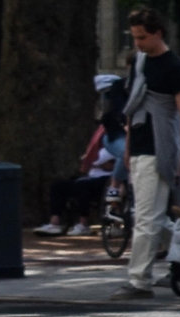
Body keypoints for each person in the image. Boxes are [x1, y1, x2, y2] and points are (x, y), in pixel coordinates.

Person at [111, 9, 180, 299]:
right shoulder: (140, 62)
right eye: (134, 37)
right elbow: (134, 109)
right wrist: (129, 147)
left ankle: (139, 281)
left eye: (142, 37)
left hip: (159, 147)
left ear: (158, 33)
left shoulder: (175, 67)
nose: (137, 43)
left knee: (146, 217)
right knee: (151, 215)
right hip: (141, 144)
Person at [36, 80, 125, 235]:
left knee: (83, 186)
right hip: (92, 175)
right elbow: (90, 158)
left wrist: (94, 161)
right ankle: (55, 222)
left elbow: (103, 158)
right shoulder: (103, 127)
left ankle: (84, 223)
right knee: (59, 186)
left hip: (107, 178)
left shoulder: (117, 127)